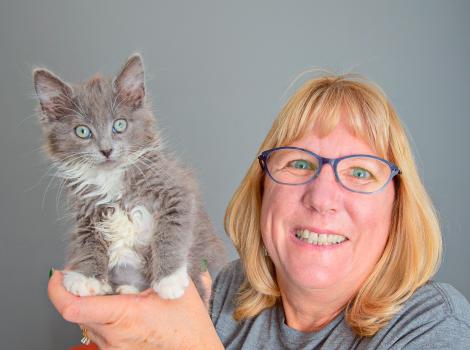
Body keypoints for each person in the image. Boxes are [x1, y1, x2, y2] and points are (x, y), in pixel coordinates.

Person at [48, 74, 470, 349]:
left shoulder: (433, 327)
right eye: (299, 163)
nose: (322, 198)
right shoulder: (224, 288)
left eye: (360, 172)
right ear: (263, 187)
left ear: (398, 205)